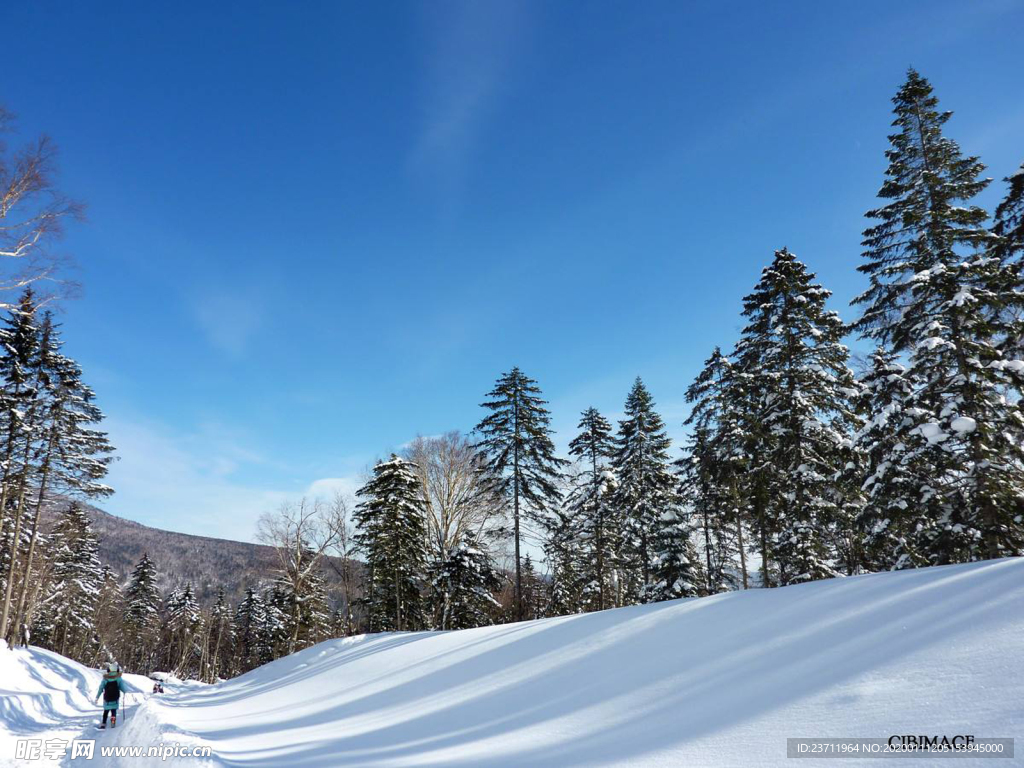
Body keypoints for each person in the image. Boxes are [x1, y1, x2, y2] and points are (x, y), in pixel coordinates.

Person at [95, 662, 128, 728]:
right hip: (115, 699)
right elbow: (123, 688)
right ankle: (113, 723)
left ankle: (103, 723)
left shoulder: (105, 678)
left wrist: (97, 697)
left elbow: (101, 688)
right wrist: (125, 693)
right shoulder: (119, 678)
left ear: (109, 670)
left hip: (107, 699)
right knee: (113, 711)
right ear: (117, 670)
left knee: (106, 711)